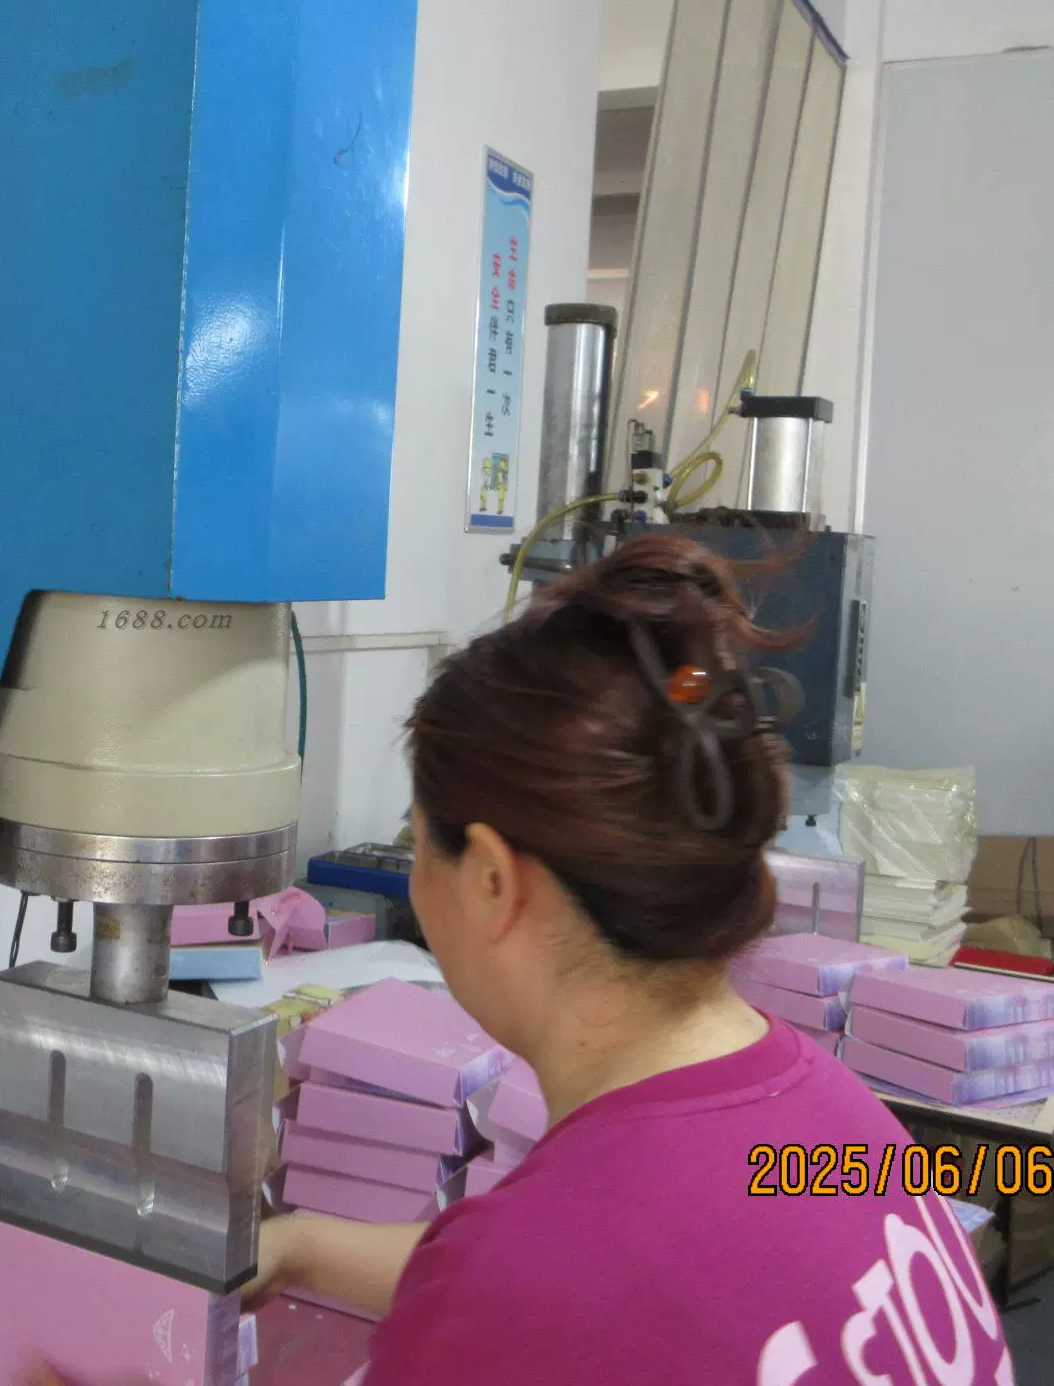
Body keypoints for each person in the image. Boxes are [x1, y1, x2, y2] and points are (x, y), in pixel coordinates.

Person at [245, 535, 1013, 1384]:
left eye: (420, 845)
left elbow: (542, 1293)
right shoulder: (841, 1122)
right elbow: (604, 1286)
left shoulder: (524, 1292)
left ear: (493, 881)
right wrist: (305, 1246)